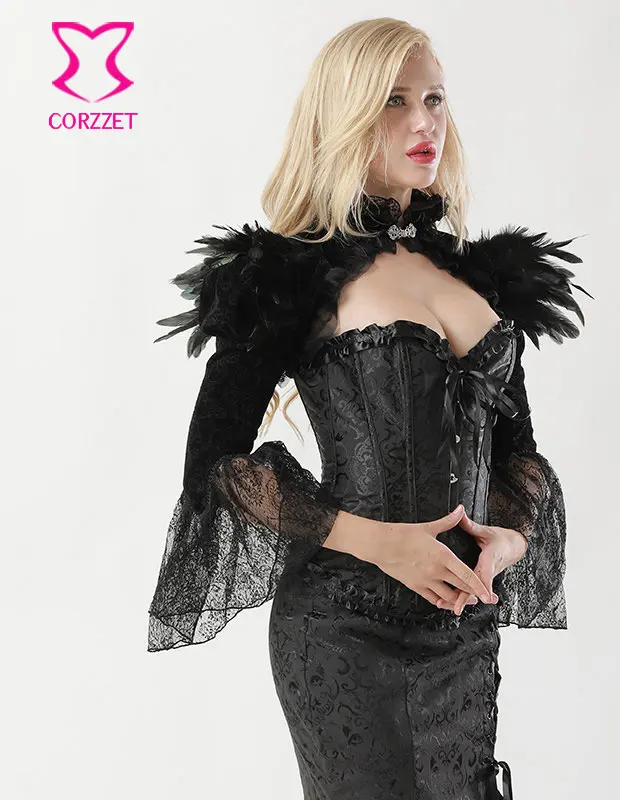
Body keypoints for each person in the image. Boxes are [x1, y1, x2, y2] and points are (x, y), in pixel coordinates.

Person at [146, 17, 591, 800]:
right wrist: (379, 543)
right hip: (345, 627)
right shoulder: (292, 274)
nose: (425, 122)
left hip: (462, 633)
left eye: (434, 98)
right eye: (395, 100)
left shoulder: (477, 277)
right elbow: (214, 464)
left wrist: (508, 541)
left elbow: (517, 453)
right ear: (346, 112)